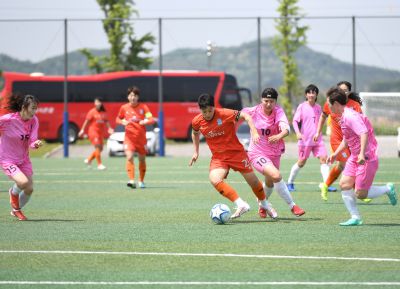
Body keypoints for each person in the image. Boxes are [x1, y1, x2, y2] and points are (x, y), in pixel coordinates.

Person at [189, 93, 271, 219]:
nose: (207, 114)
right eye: (204, 111)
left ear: (214, 107)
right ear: (200, 110)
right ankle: (241, 204)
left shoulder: (224, 113)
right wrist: (196, 151)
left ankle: (264, 204)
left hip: (236, 153)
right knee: (214, 179)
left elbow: (246, 116)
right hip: (219, 157)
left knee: (253, 181)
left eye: (210, 110)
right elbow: (195, 133)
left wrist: (254, 132)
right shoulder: (197, 121)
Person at [325, 87, 397, 226]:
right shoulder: (343, 117)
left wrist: (362, 154)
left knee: (361, 194)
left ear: (336, 104)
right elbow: (347, 139)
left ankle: (387, 189)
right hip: (354, 157)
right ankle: (355, 217)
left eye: (329, 104)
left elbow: (363, 133)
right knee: (344, 184)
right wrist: (335, 154)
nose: (328, 107)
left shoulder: (350, 116)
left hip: (366, 158)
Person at [242, 88, 305, 218]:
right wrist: (253, 130)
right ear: (261, 100)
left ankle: (262, 205)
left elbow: (286, 129)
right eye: (266, 101)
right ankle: (292, 206)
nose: (269, 104)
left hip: (274, 153)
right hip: (256, 153)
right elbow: (239, 115)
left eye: (272, 101)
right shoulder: (253, 111)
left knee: (270, 182)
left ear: (275, 101)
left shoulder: (278, 112)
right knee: (276, 176)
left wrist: (279, 135)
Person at [314, 81, 363, 201]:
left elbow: (361, 122)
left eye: (346, 90)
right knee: (347, 163)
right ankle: (358, 191)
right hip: (337, 140)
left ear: (349, 92)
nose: (343, 92)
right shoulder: (331, 103)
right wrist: (318, 131)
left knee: (341, 165)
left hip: (351, 140)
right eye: (341, 90)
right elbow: (323, 117)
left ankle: (325, 186)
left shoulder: (354, 105)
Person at [0, 94, 42, 221]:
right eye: (33, 108)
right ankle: (15, 201)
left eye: (36, 108)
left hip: (23, 159)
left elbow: (32, 142)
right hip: (7, 159)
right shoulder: (8, 119)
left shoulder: (34, 120)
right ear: (24, 107)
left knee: (29, 189)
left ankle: (15, 209)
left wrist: (35, 144)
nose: (35, 111)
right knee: (22, 182)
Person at [287, 84, 330, 192]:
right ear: (306, 95)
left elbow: (322, 121)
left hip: (318, 140)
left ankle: (326, 184)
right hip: (305, 141)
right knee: (301, 162)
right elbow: (295, 121)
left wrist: (322, 131)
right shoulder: (301, 106)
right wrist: (297, 133)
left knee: (324, 159)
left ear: (316, 95)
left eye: (313, 93)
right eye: (309, 92)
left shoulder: (319, 108)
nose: (311, 95)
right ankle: (290, 183)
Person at [117, 86, 155, 189]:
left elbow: (151, 119)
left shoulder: (144, 107)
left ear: (138, 97)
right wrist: (122, 121)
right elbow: (118, 119)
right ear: (128, 97)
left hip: (141, 139)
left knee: (142, 160)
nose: (133, 97)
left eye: (135, 95)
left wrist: (145, 121)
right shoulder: (124, 108)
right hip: (129, 138)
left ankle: (141, 181)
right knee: (129, 157)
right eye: (131, 95)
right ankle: (131, 180)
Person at [79, 98, 113, 170]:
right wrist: (82, 130)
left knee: (100, 149)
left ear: (101, 103)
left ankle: (89, 159)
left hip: (100, 133)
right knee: (97, 147)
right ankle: (99, 164)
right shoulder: (92, 112)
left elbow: (106, 122)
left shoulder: (103, 112)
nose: (98, 103)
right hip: (93, 132)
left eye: (99, 102)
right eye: (96, 102)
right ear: (94, 103)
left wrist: (110, 128)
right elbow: (86, 121)